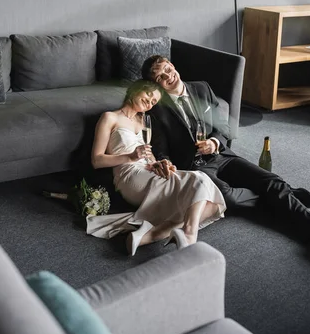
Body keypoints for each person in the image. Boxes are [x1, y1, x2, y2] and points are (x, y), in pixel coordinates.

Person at [141, 55, 310, 245]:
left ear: (172, 65)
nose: (168, 77)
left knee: (270, 180)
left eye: (167, 69)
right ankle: (281, 194)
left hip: (222, 156)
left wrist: (215, 142)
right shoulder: (158, 109)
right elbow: (160, 148)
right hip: (196, 168)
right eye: (160, 77)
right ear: (156, 84)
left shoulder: (202, 88)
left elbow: (224, 127)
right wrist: (164, 162)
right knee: (228, 198)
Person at [86, 79, 226, 255]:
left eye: (153, 102)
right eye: (149, 95)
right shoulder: (110, 117)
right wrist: (129, 156)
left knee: (211, 204)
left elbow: (149, 154)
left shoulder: (145, 122)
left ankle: (148, 237)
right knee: (199, 185)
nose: (149, 102)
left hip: (147, 171)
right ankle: (183, 235)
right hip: (129, 176)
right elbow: (96, 160)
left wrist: (158, 163)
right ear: (135, 90)